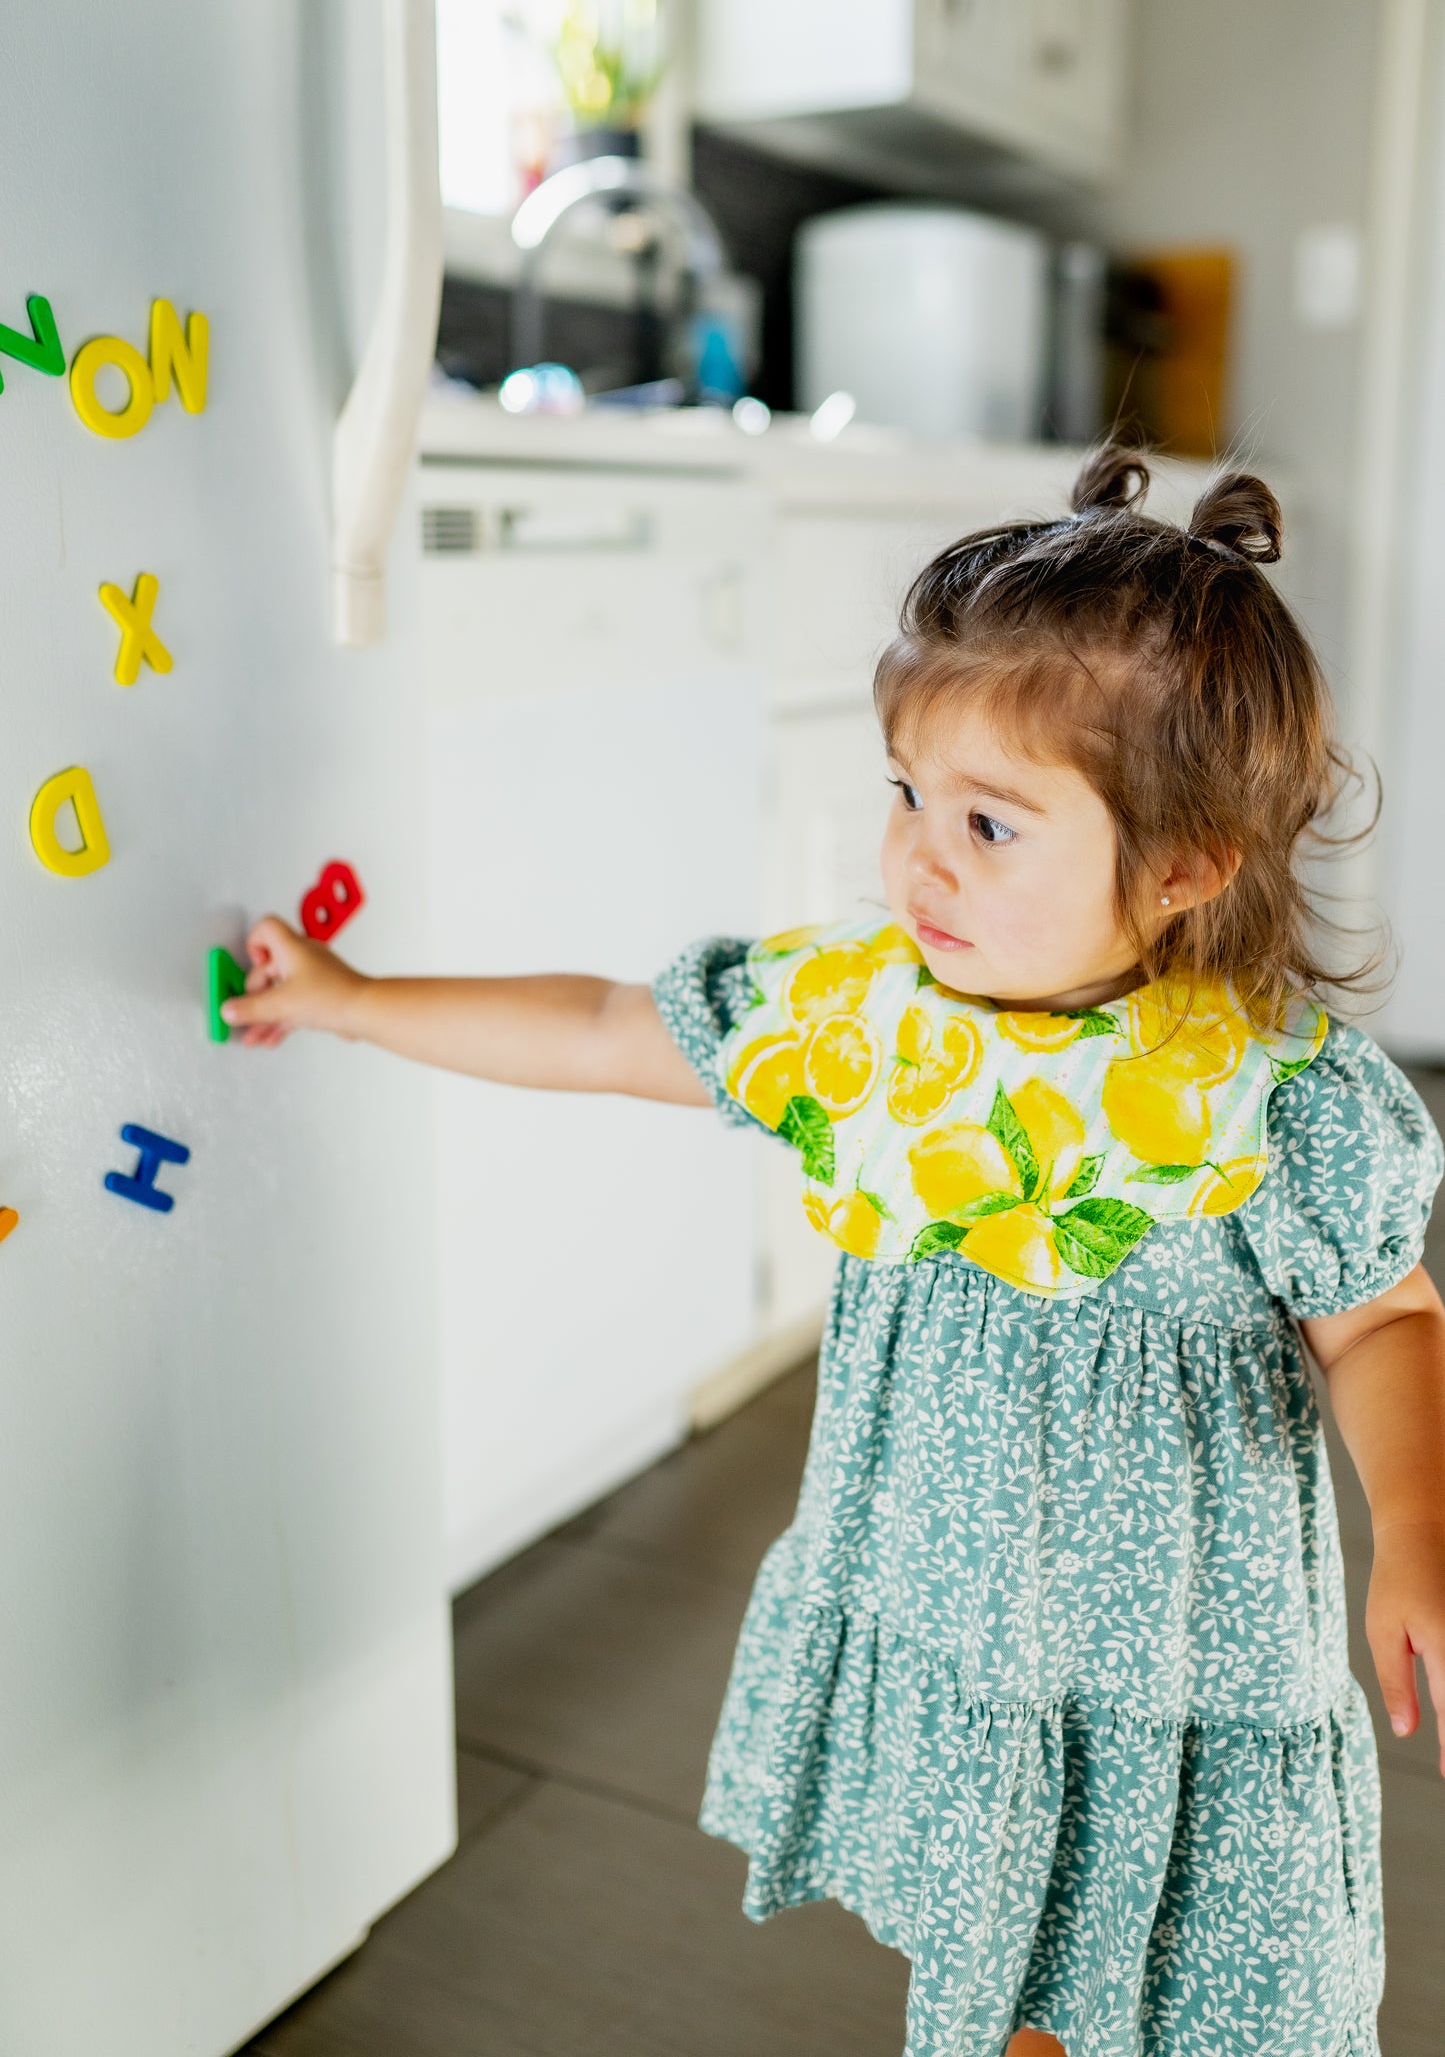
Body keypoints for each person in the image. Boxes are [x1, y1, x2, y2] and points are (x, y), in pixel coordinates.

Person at [223, 446, 1445, 2057]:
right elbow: (604, 1025)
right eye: (904, 795)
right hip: (955, 1615)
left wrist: (1414, 1525)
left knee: (1189, 1991)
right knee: (1009, 1968)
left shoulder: (1271, 1098)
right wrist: (358, 1003)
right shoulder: (863, 1022)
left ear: (1180, 867)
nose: (919, 859)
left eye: (990, 825)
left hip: (1169, 1658)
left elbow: (1379, 1320)